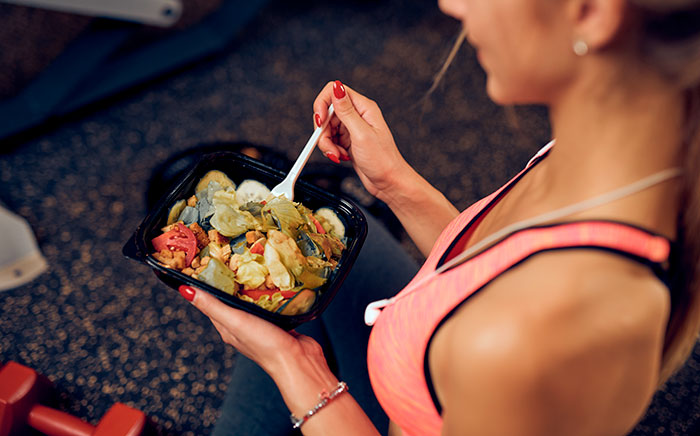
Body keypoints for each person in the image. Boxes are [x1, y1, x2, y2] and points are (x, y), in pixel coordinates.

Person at [178, 0, 700, 434]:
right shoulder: (608, 154)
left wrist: (294, 367)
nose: (450, 4)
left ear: (590, 12)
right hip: (429, 366)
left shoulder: (525, 339)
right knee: (319, 239)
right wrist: (395, 183)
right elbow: (491, 267)